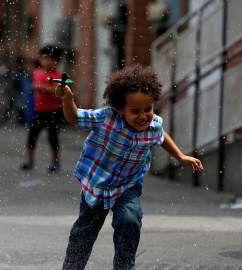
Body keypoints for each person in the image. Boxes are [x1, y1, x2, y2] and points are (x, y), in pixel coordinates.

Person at [55, 64, 204, 269]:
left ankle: (124, 266)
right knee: (84, 232)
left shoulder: (153, 125)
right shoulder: (106, 117)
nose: (143, 116)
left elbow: (161, 136)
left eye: (148, 109)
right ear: (120, 109)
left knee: (130, 220)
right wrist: (67, 99)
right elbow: (74, 117)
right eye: (135, 111)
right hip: (97, 185)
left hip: (127, 186)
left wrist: (180, 156)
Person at [20, 45, 64, 173]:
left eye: (52, 59)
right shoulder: (37, 72)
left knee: (53, 137)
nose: (48, 61)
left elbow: (58, 91)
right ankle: (29, 160)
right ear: (40, 59)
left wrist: (41, 86)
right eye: (45, 58)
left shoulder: (58, 75)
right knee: (32, 135)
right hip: (39, 110)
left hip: (54, 110)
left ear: (57, 61)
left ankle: (55, 162)